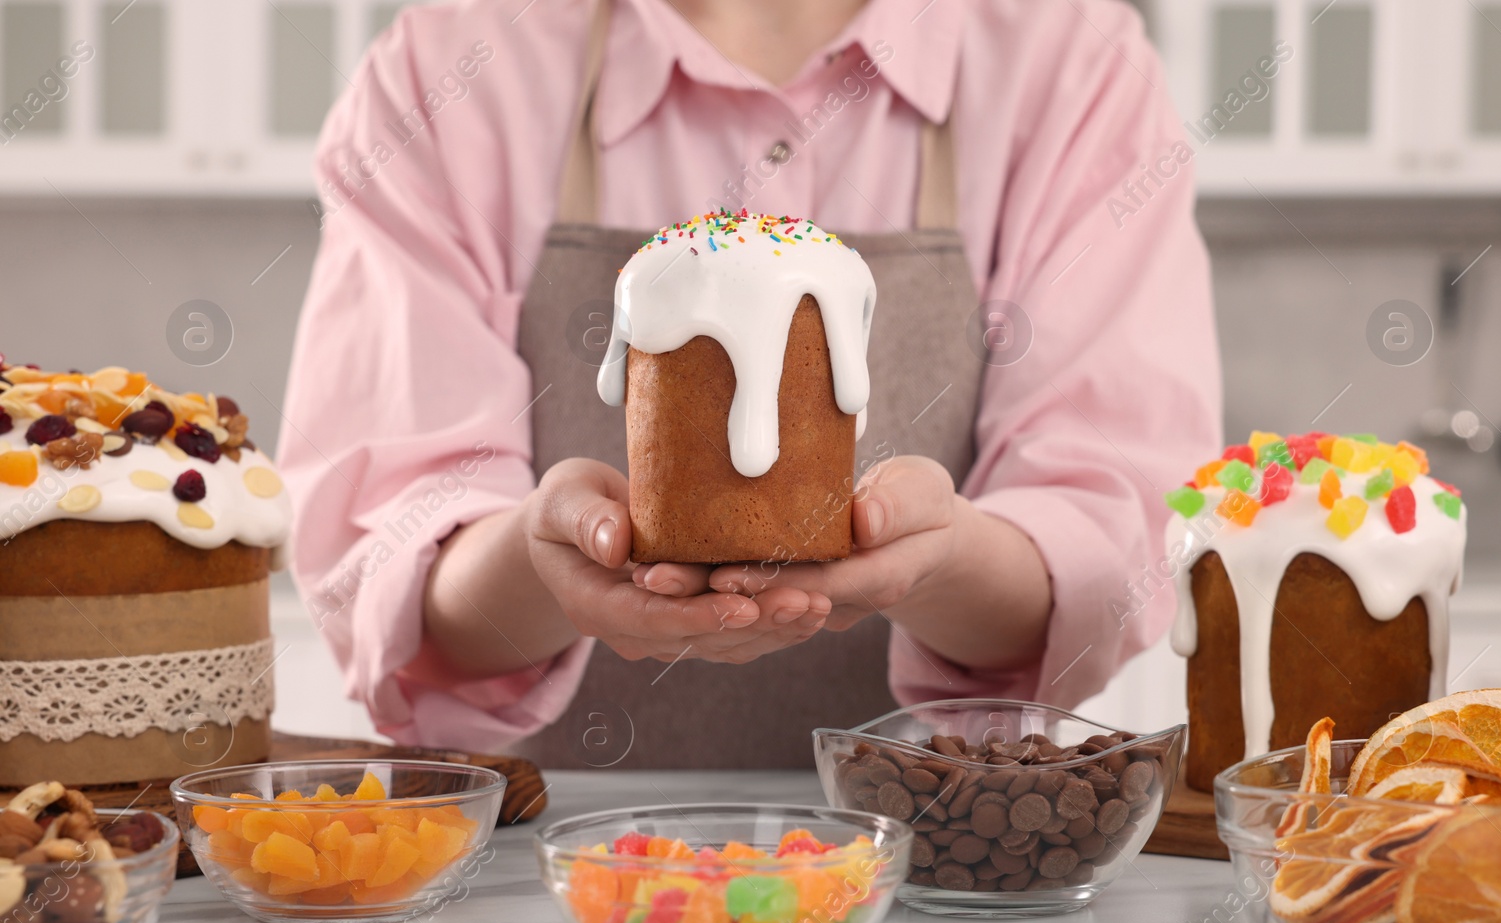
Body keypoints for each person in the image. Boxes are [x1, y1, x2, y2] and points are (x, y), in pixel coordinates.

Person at [279, 0, 1221, 767]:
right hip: (544, 867)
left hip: (957, 861)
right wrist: (537, 562)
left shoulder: (1069, 63)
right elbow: (387, 554)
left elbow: (1121, 540)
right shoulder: (451, 66)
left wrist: (941, 556)